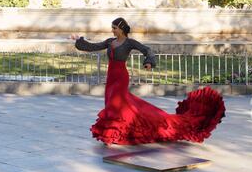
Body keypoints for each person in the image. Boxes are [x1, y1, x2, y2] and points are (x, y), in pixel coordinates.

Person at [71, 18, 226, 146]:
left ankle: (116, 133)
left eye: (115, 28)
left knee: (116, 103)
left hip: (120, 77)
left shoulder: (129, 43)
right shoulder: (109, 41)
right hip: (111, 77)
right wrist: (79, 40)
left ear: (122, 29)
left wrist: (149, 62)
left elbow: (147, 50)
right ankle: (117, 132)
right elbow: (93, 47)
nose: (112, 31)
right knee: (113, 103)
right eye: (112, 28)